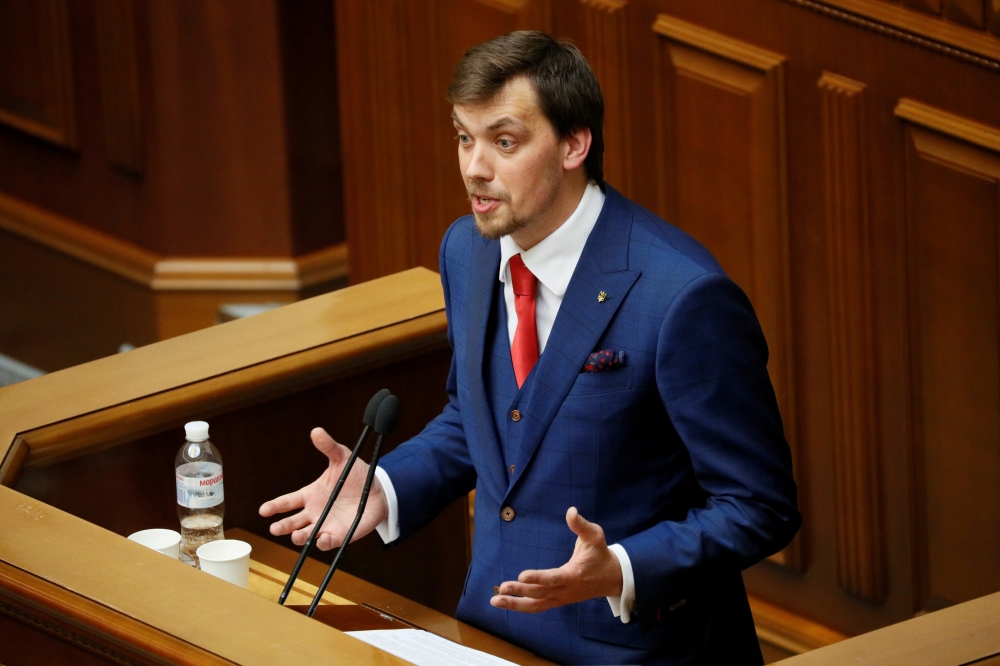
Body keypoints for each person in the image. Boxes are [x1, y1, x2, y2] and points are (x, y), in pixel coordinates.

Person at [260, 31, 800, 665]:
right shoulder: (466, 250)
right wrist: (386, 487)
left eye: (504, 142)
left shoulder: (683, 296)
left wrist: (622, 568)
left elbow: (758, 505)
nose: (473, 167)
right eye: (465, 137)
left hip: (636, 651)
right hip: (491, 636)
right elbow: (479, 421)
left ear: (574, 144)